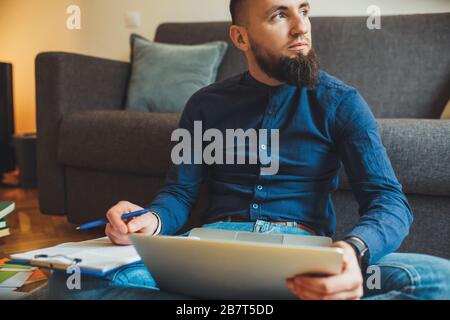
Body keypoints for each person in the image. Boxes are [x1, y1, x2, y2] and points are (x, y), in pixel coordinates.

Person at [49, 0, 450, 300]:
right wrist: (147, 222)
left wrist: (351, 252)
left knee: (439, 282)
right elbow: (180, 193)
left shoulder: (341, 102)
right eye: (279, 15)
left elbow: (388, 202)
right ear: (240, 37)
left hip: (303, 259)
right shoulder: (205, 105)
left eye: (303, 10)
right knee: (71, 282)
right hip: (210, 252)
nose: (301, 27)